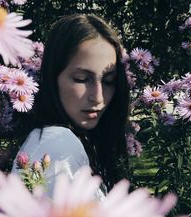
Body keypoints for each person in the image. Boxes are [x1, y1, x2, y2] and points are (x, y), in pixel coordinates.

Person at [11, 13, 130, 199]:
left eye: (109, 81)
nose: (98, 97)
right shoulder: (58, 143)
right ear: (53, 77)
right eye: (81, 79)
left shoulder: (59, 139)